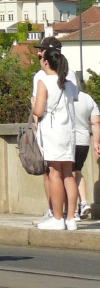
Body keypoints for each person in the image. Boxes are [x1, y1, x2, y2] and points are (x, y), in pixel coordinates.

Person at [33, 48, 79, 230]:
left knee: (54, 173)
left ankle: (58, 218)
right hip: (68, 131)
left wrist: (33, 103)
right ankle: (71, 218)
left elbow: (39, 110)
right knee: (68, 174)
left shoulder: (43, 81)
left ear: (46, 62)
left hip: (52, 131)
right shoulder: (67, 83)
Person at [73, 86, 99, 222]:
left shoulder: (64, 96)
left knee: (66, 174)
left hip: (68, 139)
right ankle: (83, 202)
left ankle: (71, 211)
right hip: (84, 140)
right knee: (78, 171)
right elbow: (96, 121)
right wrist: (96, 142)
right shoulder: (87, 98)